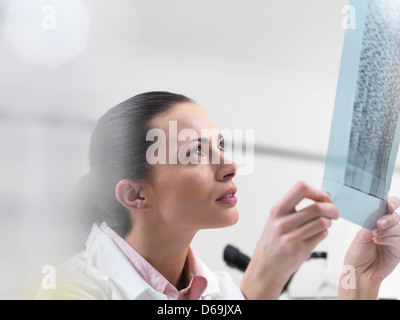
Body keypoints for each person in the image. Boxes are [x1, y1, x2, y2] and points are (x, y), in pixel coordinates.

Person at [36, 91, 400, 300]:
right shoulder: (74, 290)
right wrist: (262, 283)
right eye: (195, 152)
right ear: (135, 195)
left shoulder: (218, 292)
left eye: (220, 146)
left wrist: (361, 279)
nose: (229, 166)